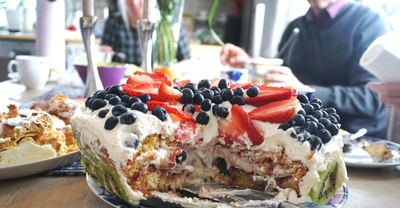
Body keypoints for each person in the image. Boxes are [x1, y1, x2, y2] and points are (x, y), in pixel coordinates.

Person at [220, 0, 391, 138]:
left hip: (355, 142)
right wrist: (250, 63)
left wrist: (306, 91)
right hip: (299, 139)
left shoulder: (369, 22)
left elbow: (372, 99)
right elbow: (281, 83)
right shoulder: (295, 26)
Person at [102, 0, 191, 66]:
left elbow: (187, 61)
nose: (134, 3)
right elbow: (104, 57)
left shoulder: (169, 25)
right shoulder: (114, 22)